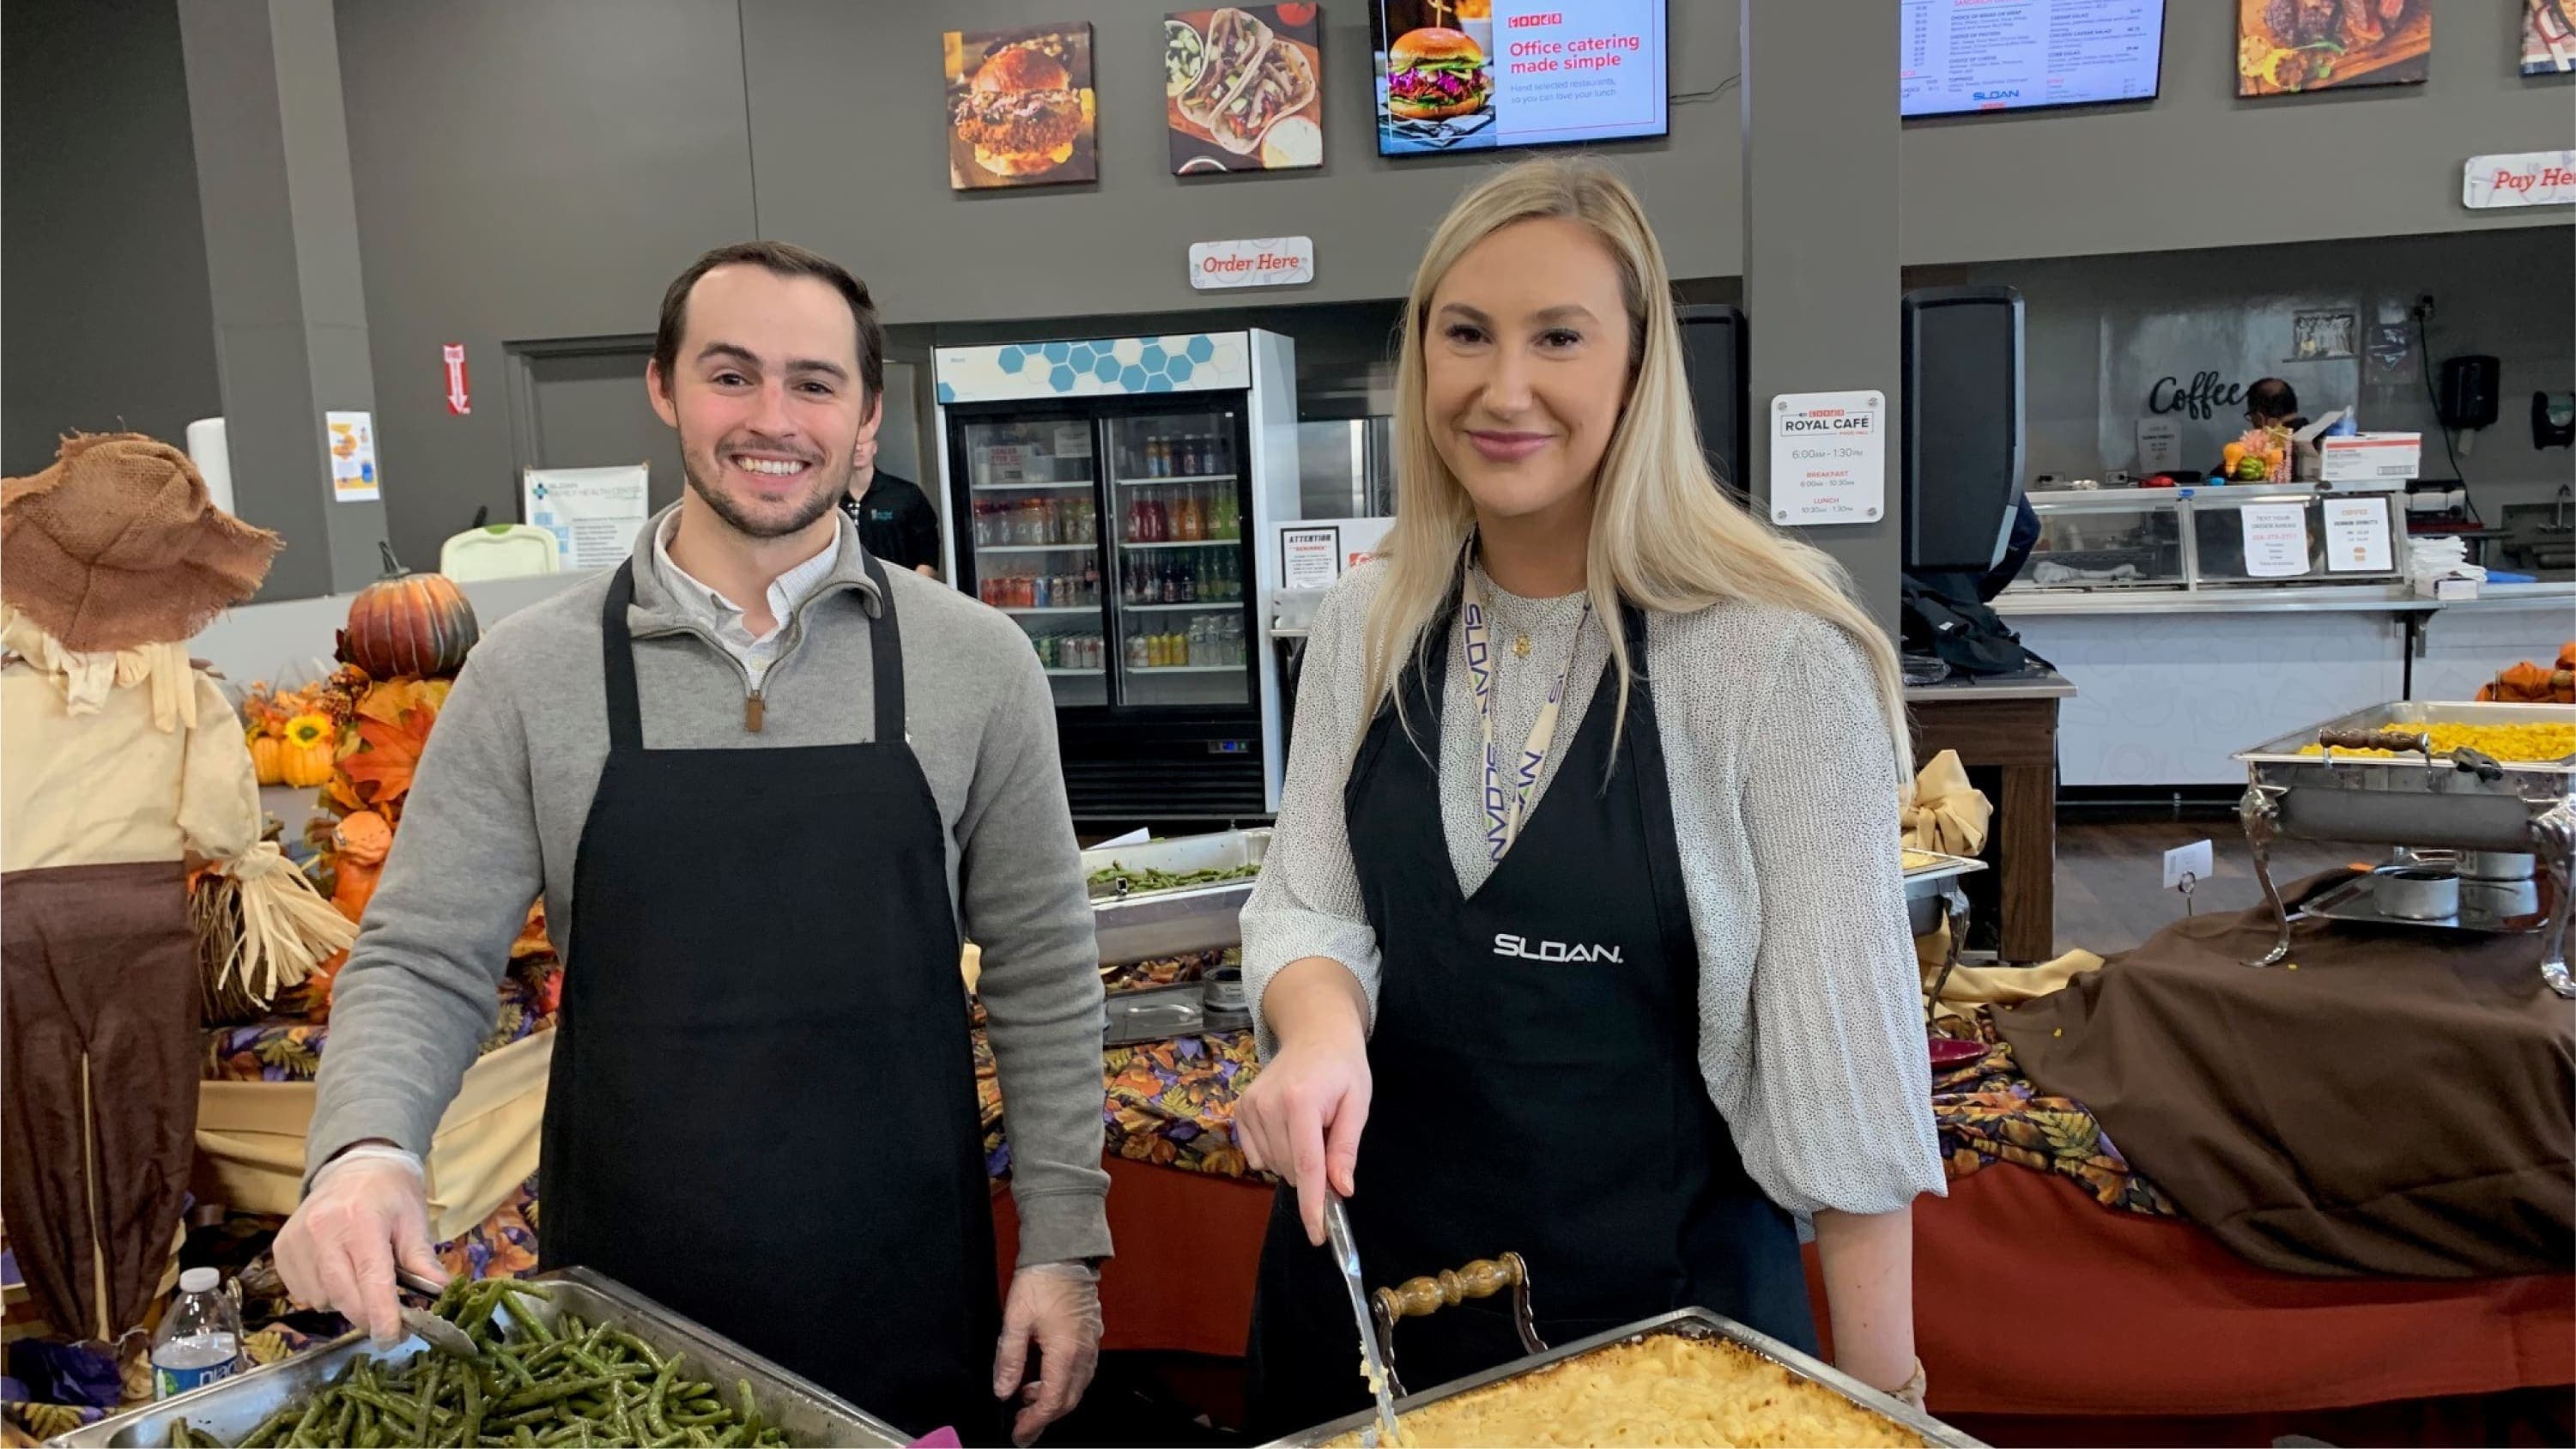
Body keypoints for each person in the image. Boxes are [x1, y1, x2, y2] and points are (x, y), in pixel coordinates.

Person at [278, 242, 1107, 1446]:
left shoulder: (977, 662)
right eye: (733, 376)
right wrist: (364, 1149)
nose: (773, 419)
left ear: (868, 418)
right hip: (627, 1321)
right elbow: (423, 957)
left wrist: (1065, 1248)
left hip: (908, 1282)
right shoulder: (528, 672)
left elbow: (1042, 969)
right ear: (664, 389)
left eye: (815, 384)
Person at [1233, 159, 1941, 1436]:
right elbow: (1306, 905)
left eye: (1557, 337)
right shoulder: (1367, 624)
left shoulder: (1773, 660)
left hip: (1663, 1341)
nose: (1503, 389)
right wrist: (1322, 1025)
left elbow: (1846, 1090)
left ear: (1635, 368)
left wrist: (1888, 1410)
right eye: (1465, 335)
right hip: (1366, 1317)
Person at [3, 433, 355, 1354]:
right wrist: (247, 867)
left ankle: (65, 1312)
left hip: (9, 924)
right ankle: (131, 1313)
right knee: (143, 1105)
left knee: (30, 1110)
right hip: (140, 922)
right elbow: (222, 823)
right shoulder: (178, 687)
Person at [840, 430, 943, 575]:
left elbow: (928, 553)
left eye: (864, 442)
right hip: (846, 592)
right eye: (853, 442)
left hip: (900, 591)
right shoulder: (829, 501)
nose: (858, 448)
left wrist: (910, 590)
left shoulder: (906, 494)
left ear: (874, 447)